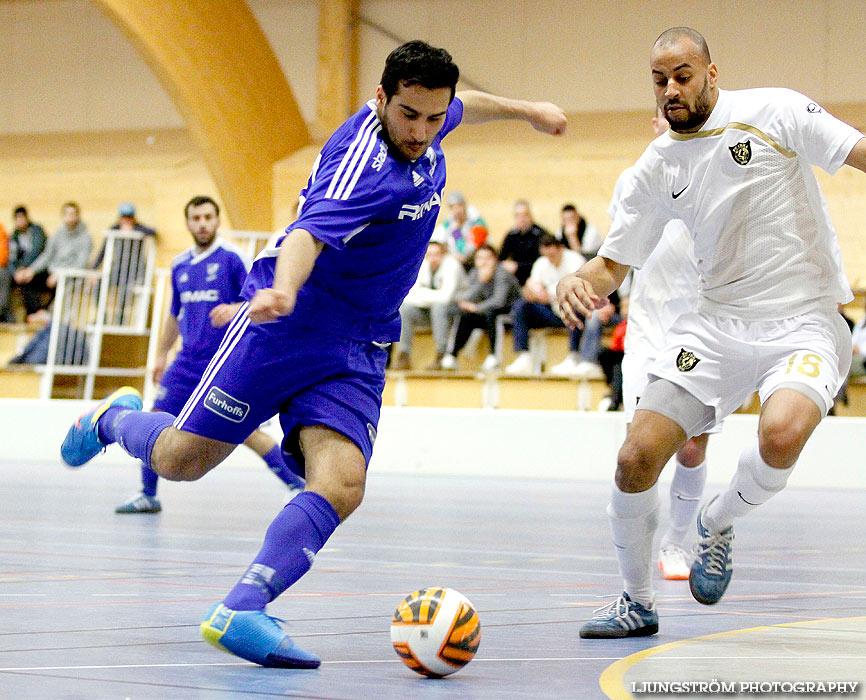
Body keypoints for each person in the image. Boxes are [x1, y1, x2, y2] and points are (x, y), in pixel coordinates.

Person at [60, 40, 566, 667]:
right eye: (410, 115)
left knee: (343, 482)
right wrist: (283, 291)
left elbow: (468, 104)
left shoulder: (430, 119)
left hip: (359, 345)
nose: (423, 131)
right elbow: (307, 231)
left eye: (434, 118)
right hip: (286, 329)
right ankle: (112, 419)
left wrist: (530, 110)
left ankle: (243, 607)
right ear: (380, 99)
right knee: (182, 461)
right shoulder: (363, 165)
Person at [557, 26, 866, 639]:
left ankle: (715, 523)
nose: (669, 89)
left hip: (803, 318)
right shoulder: (657, 164)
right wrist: (579, 277)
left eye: (682, 76)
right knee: (635, 456)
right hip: (715, 324)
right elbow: (613, 264)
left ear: (711, 73)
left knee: (780, 435)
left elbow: (858, 152)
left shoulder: (774, 109)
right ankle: (635, 601)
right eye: (658, 80)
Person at [115, 196, 304, 514]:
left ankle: (296, 485)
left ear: (217, 221)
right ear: (187, 223)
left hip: (224, 362)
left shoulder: (233, 258)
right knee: (155, 417)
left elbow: (262, 298)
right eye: (196, 218)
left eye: (208, 217)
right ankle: (148, 493)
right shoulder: (179, 265)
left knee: (247, 432)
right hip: (186, 362)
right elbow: (175, 315)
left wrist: (235, 309)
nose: (202, 223)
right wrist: (161, 354)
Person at [612, 109, 718, 580]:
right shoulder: (633, 180)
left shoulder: (720, 179)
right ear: (656, 126)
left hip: (699, 331)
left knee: (692, 447)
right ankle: (637, 555)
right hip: (647, 332)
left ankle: (678, 542)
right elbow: (618, 251)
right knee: (641, 449)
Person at [504, 233, 585, 374]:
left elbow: (576, 290)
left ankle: (574, 356)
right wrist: (533, 292)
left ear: (561, 249)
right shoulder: (542, 263)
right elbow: (530, 290)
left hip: (573, 311)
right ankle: (524, 356)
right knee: (521, 306)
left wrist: (548, 294)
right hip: (552, 311)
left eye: (553, 255)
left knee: (575, 306)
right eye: (547, 255)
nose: (550, 259)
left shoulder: (575, 260)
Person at [440, 243, 521, 371]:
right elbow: (466, 298)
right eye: (480, 258)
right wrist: (481, 283)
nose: (483, 262)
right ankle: (452, 355)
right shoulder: (474, 273)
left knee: (492, 313)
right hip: (484, 312)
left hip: (508, 314)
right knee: (464, 315)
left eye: (487, 258)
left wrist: (476, 308)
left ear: (495, 259)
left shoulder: (502, 274)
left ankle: (494, 357)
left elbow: (499, 301)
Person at [12, 202, 93, 321]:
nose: (70, 217)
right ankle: (39, 312)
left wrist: (60, 274)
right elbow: (47, 255)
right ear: (63, 216)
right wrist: (31, 270)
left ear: (77, 216)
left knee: (63, 286)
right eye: (67, 214)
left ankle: (48, 314)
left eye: (73, 214)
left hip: (69, 276)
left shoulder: (85, 237)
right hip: (52, 272)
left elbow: (81, 264)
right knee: (26, 279)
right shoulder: (58, 234)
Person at [393, 240, 466, 370]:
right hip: (431, 311)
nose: (433, 258)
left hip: (457, 311)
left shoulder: (452, 266)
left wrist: (422, 293)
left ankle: (441, 355)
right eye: (430, 254)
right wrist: (431, 295)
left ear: (444, 255)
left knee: (439, 307)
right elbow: (409, 295)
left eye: (437, 254)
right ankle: (404, 355)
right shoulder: (422, 264)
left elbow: (446, 298)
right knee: (405, 309)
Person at [92, 202, 157, 324]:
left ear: (134, 218)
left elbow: (153, 232)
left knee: (125, 289)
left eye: (129, 217)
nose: (126, 220)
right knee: (98, 285)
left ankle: (120, 319)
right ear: (119, 218)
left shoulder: (138, 228)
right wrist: (94, 270)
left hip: (135, 272)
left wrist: (133, 231)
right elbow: (103, 251)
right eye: (124, 217)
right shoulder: (114, 229)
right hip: (117, 270)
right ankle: (102, 316)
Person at [4, 206, 47, 321]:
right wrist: (16, 272)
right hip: (22, 272)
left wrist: (26, 269)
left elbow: (36, 251)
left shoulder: (37, 231)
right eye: (17, 218)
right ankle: (9, 318)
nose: (20, 221)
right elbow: (11, 258)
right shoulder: (14, 237)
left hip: (38, 269)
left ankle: (37, 311)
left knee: (27, 279)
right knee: (13, 279)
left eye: (22, 218)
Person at [431, 190, 489, 268]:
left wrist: (456, 231)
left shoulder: (478, 224)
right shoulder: (449, 224)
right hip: (457, 262)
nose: (457, 210)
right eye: (453, 207)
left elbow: (467, 252)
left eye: (459, 206)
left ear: (465, 205)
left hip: (475, 263)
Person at [499, 200, 548, 286]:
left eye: (524, 214)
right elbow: (501, 258)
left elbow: (542, 262)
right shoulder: (511, 235)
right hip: (516, 279)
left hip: (537, 277)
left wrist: (518, 267)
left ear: (530, 215)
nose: (521, 219)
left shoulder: (540, 234)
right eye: (518, 215)